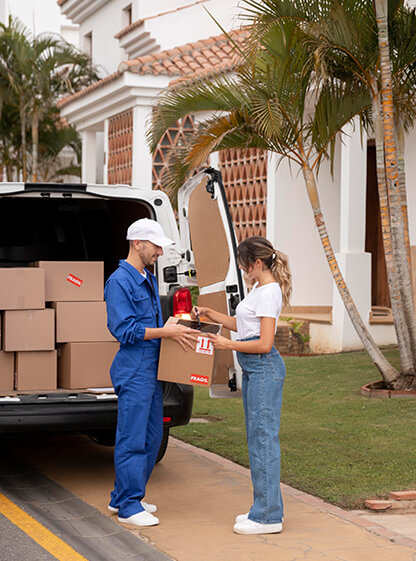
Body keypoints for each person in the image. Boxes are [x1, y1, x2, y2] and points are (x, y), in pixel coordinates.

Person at [191, 236, 292, 536]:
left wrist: (226, 344)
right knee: (257, 439)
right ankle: (265, 508)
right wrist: (210, 314)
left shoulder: (269, 292)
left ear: (257, 263)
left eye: (244, 264)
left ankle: (267, 517)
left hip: (263, 368)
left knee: (263, 442)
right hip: (254, 370)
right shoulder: (259, 288)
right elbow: (243, 325)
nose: (243, 269)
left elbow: (264, 343)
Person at [105, 218, 198, 528]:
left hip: (152, 368)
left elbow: (151, 325)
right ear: (137, 243)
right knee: (132, 438)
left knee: (152, 436)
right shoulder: (120, 281)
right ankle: (130, 506)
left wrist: (171, 325)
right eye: (156, 246)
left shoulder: (147, 277)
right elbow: (124, 330)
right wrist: (165, 332)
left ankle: (121, 496)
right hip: (134, 369)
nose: (160, 251)